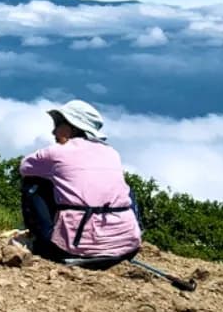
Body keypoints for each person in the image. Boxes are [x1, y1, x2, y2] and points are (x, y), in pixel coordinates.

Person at [19, 99, 141, 262]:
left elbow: (25, 167)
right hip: (127, 248)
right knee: (125, 190)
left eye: (58, 124)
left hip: (73, 248)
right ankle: (122, 236)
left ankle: (44, 243)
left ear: (72, 127)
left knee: (33, 183)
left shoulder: (56, 152)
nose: (54, 132)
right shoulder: (112, 153)